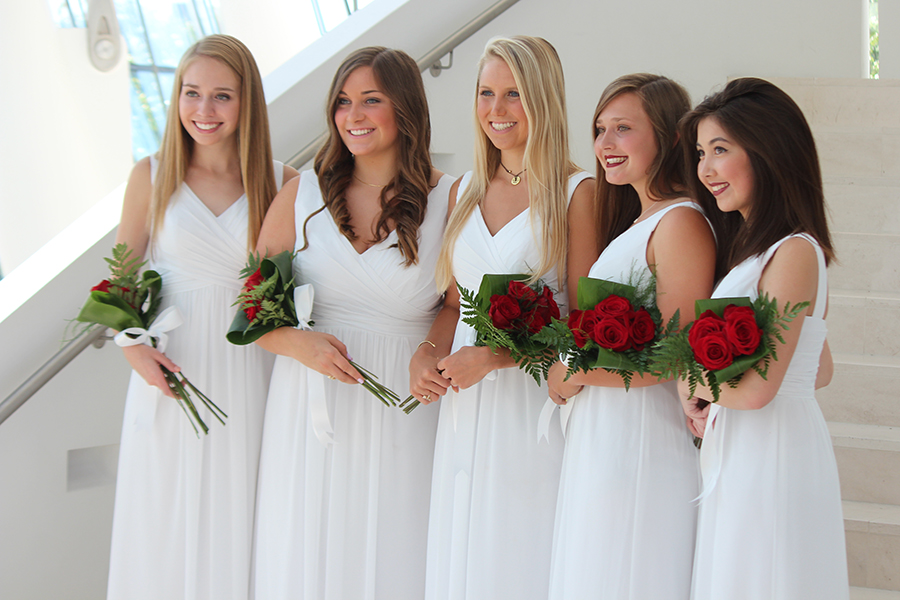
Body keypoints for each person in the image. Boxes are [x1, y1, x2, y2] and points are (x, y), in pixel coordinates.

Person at [251, 46, 452, 600]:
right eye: (343, 102)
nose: (353, 116)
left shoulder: (450, 198)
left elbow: (457, 305)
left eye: (371, 100)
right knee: (306, 546)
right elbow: (252, 310)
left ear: (405, 108)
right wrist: (298, 344)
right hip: (310, 404)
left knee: (397, 548)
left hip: (405, 407)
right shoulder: (301, 194)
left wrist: (431, 349)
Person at [107, 34, 297, 600]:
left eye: (221, 96)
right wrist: (134, 348)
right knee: (163, 511)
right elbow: (120, 278)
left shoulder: (281, 182)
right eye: (192, 94)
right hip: (172, 370)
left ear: (247, 103)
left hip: (252, 372)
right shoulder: (153, 173)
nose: (204, 111)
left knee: (245, 508)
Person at [409, 36, 594, 600]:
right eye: (486, 93)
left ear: (542, 99)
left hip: (530, 404)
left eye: (513, 94)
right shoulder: (462, 189)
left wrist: (493, 356)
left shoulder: (575, 192)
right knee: (461, 542)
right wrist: (428, 352)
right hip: (462, 402)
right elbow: (451, 304)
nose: (496, 109)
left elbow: (585, 324)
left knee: (518, 545)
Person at [546, 73, 716, 600]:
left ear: (668, 138)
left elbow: (671, 355)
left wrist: (571, 370)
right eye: (600, 130)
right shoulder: (639, 220)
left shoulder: (682, 221)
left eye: (623, 128)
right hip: (606, 433)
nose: (605, 145)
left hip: (642, 437)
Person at [679, 77, 848, 600]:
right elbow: (819, 366)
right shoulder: (765, 250)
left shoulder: (794, 251)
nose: (705, 169)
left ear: (768, 151)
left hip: (771, 453)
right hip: (756, 445)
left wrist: (690, 378)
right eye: (702, 152)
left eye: (721, 150)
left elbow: (757, 390)